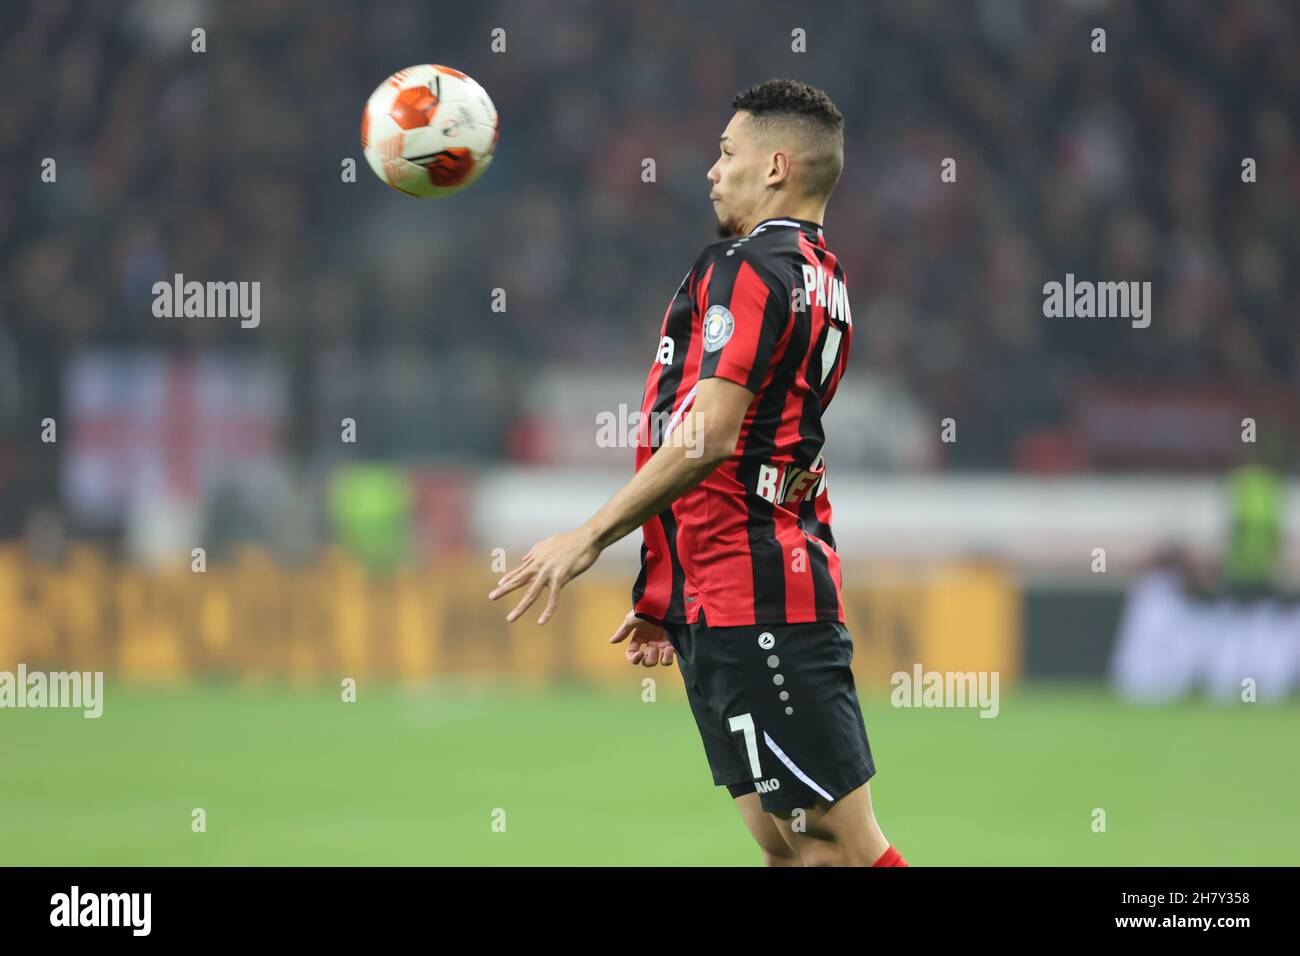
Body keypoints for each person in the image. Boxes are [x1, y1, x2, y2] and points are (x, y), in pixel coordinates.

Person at [490, 78, 906, 867]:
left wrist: (590, 537)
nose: (711, 171)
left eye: (726, 153)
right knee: (786, 847)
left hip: (760, 600)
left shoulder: (747, 268)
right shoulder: (826, 276)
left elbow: (707, 439)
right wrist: (665, 588)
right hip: (724, 594)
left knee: (834, 849)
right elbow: (739, 452)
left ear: (776, 166)